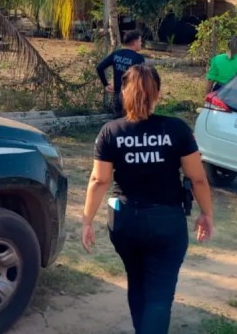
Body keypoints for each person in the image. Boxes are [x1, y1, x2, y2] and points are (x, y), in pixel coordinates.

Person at [81, 64, 214, 334]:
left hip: (125, 221)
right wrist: (206, 213)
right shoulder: (177, 129)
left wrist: (87, 221)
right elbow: (197, 178)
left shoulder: (111, 131)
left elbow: (99, 180)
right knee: (159, 295)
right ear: (159, 94)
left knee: (137, 282)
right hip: (167, 222)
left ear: (123, 93)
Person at [96, 30, 145, 117]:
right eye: (140, 41)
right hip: (132, 96)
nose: (141, 43)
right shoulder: (139, 58)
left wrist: (106, 84)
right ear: (135, 42)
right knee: (132, 120)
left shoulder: (116, 54)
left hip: (118, 95)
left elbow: (100, 68)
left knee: (118, 121)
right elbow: (142, 78)